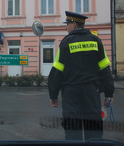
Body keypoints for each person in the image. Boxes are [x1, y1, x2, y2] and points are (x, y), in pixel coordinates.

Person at [47, 11, 115, 141]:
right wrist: (109, 93)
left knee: (73, 128)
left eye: (67, 24)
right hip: (91, 91)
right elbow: (105, 69)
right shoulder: (96, 41)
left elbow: (57, 70)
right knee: (93, 127)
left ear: (73, 24)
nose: (66, 27)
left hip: (71, 92)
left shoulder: (66, 43)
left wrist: (53, 95)